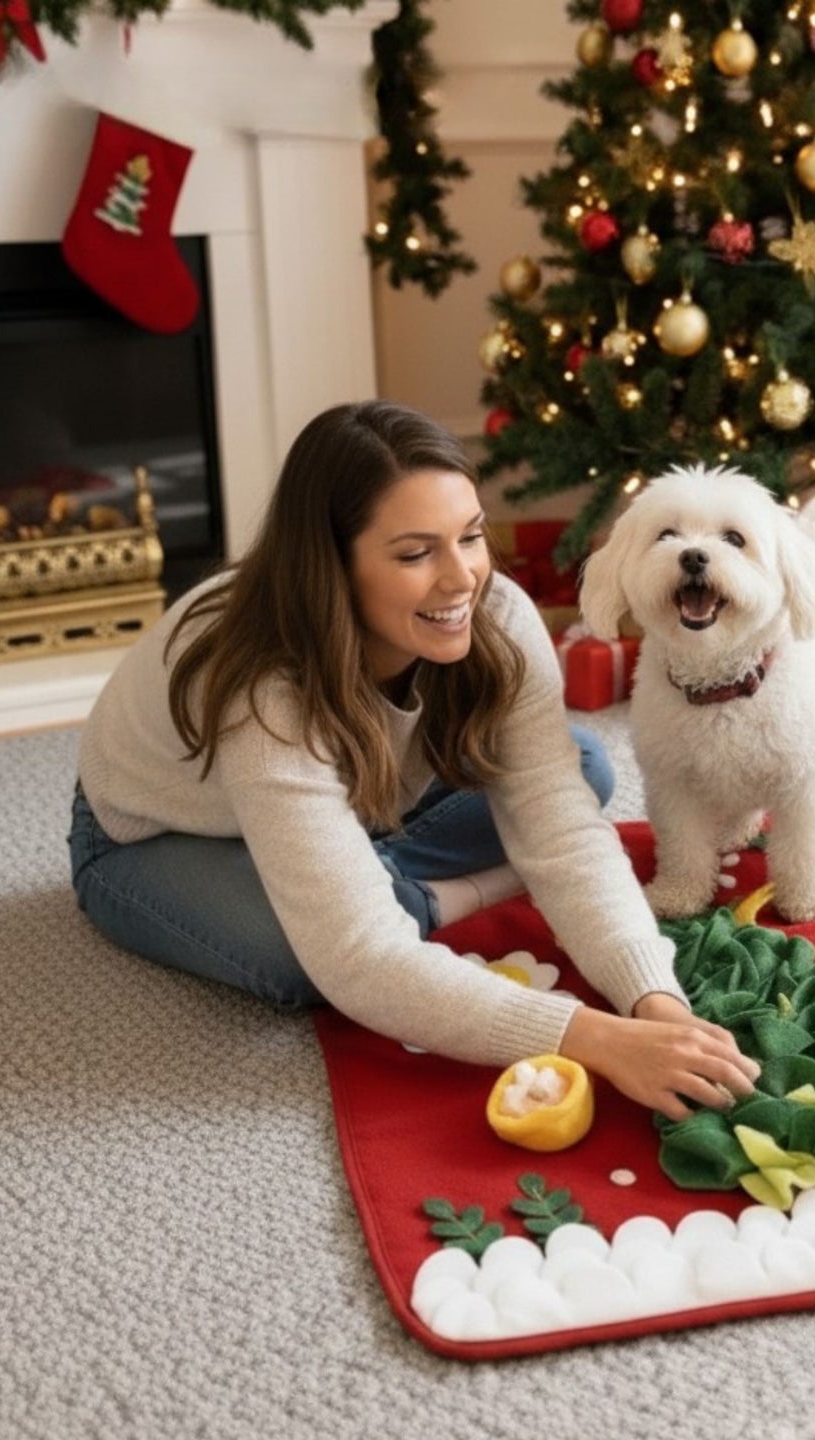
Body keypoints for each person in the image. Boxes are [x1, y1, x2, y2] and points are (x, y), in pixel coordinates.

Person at [68, 400, 759, 1117]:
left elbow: (560, 829)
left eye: (470, 536)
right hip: (154, 837)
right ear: (331, 564)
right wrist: (596, 1039)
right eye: (414, 553)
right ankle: (422, 897)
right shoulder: (265, 685)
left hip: (369, 801)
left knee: (581, 768)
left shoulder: (497, 612)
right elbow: (363, 960)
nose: (461, 578)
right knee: (305, 959)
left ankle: (369, 877)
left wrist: (654, 997)